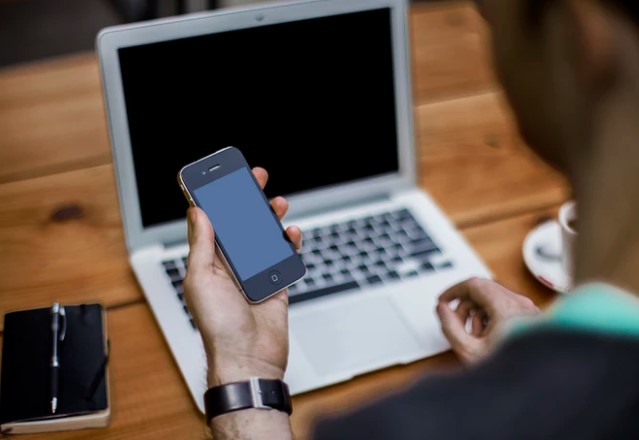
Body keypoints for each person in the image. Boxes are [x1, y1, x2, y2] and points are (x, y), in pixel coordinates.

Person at [183, 0, 639, 438]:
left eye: (491, 16)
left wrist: (246, 369)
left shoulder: (397, 430)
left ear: (578, 39)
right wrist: (538, 354)